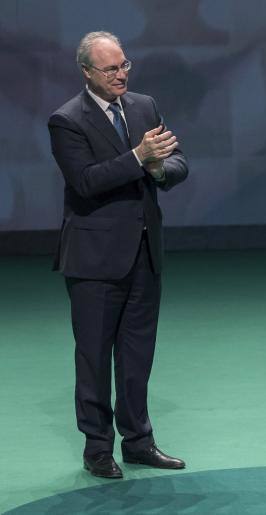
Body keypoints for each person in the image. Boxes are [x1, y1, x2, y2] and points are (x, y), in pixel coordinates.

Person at [48, 31, 188, 478]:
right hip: (93, 259)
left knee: (137, 354)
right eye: (110, 69)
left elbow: (178, 162)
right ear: (87, 72)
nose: (121, 74)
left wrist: (159, 166)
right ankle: (97, 448)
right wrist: (138, 156)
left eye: (124, 65)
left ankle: (139, 441)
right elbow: (85, 180)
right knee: (93, 355)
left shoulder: (144, 106)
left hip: (144, 253)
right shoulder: (66, 120)